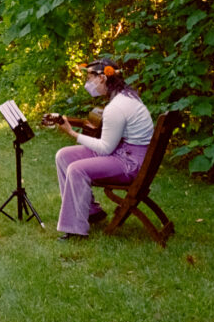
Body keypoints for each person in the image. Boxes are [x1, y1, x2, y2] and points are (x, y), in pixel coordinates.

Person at [54, 58, 154, 240]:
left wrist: (71, 133)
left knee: (76, 169)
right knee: (64, 156)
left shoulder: (116, 107)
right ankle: (91, 212)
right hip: (127, 153)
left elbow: (105, 148)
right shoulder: (126, 96)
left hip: (130, 163)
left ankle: (75, 228)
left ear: (102, 78)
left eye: (90, 78)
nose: (87, 84)